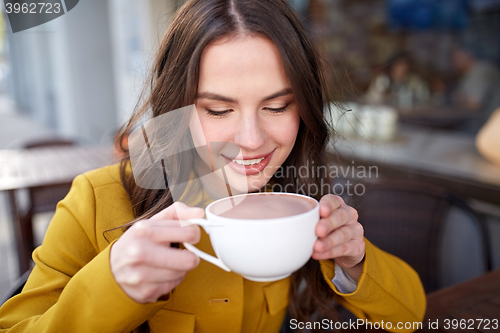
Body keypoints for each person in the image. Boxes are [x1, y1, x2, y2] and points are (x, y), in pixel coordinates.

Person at [0, 1, 425, 332]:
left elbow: (410, 316)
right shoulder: (97, 201)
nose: (252, 140)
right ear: (177, 107)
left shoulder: (296, 196)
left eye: (277, 106)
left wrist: (355, 260)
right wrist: (111, 285)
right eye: (219, 110)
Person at [451, 45, 500, 133]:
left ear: (465, 57)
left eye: (456, 59)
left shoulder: (480, 72)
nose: (454, 63)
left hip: (488, 128)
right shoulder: (474, 71)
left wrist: (459, 99)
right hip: (486, 126)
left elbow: (475, 105)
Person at [365, 52, 430, 109]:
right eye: (400, 64)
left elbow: (423, 101)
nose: (403, 68)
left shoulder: (414, 82)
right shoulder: (382, 80)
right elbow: (371, 100)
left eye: (406, 64)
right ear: (393, 66)